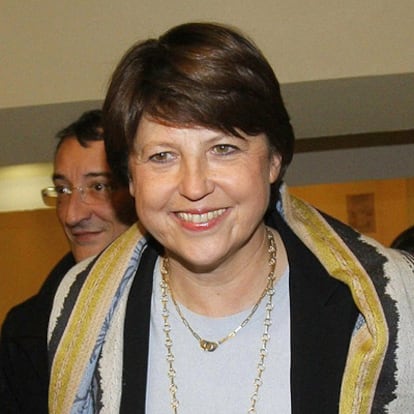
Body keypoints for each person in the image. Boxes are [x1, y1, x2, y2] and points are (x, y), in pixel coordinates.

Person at [47, 23, 414, 414]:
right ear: (131, 178)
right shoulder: (83, 308)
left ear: (274, 160)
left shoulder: (389, 302)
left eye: (223, 149)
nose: (194, 186)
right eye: (162, 156)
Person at [0, 109, 137, 413]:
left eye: (99, 186)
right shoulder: (25, 332)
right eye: (62, 190)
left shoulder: (185, 301)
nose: (72, 215)